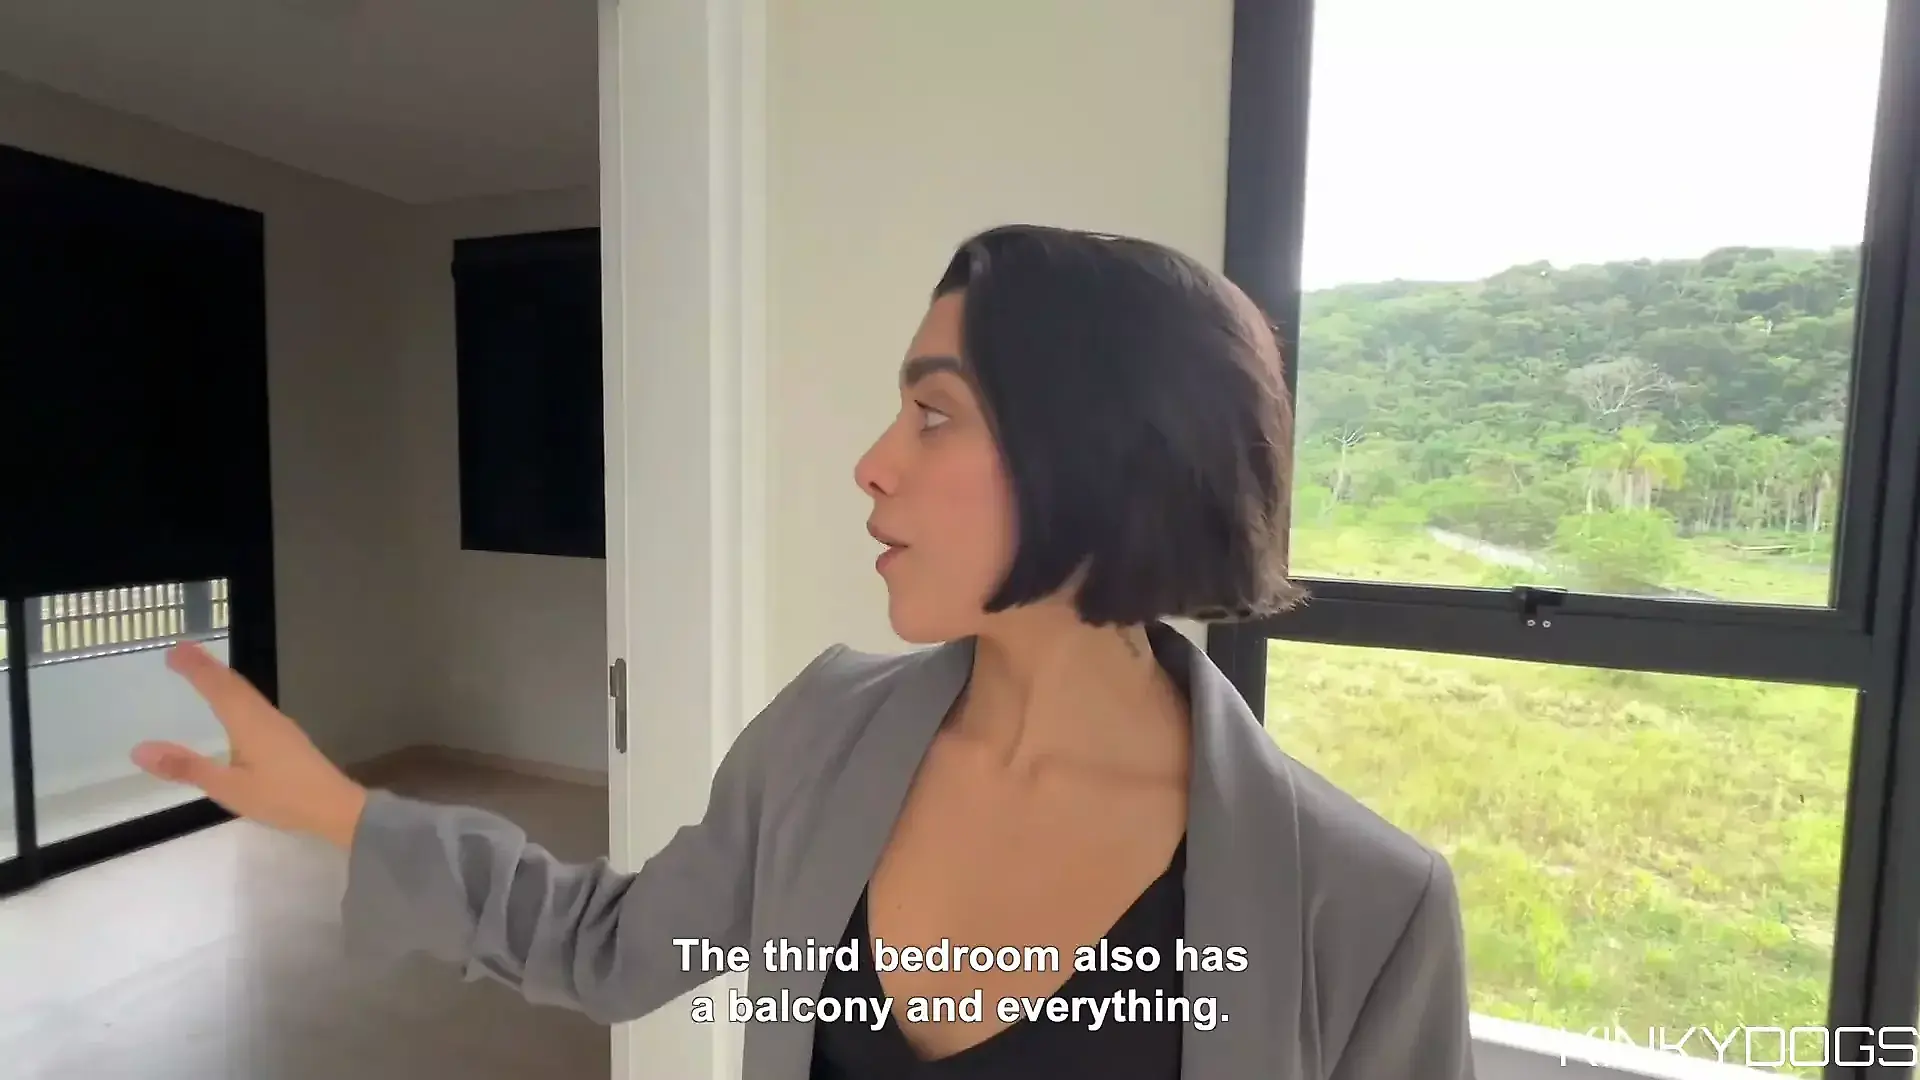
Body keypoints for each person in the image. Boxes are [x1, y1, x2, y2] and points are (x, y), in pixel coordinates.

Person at [132, 225, 1476, 1080]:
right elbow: (612, 945)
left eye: (933, 415)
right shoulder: (828, 732)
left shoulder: (1364, 906)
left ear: (1104, 453)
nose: (872, 464)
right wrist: (341, 810)